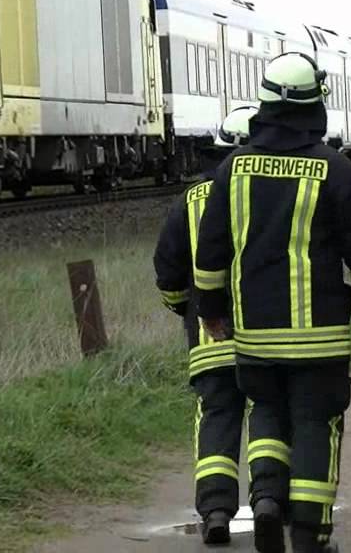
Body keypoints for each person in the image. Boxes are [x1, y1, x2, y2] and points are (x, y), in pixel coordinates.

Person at [194, 52, 351, 553]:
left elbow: (211, 252)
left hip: (254, 335)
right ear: (314, 105)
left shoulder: (232, 169)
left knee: (270, 416)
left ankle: (267, 503)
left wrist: (210, 309)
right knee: (315, 425)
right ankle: (310, 536)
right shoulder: (335, 169)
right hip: (319, 338)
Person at [153, 105, 259, 546]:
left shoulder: (190, 201)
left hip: (209, 339)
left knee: (217, 418)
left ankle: (215, 510)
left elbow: (168, 270)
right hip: (267, 339)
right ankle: (274, 501)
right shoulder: (272, 193)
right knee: (271, 418)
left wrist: (186, 310)